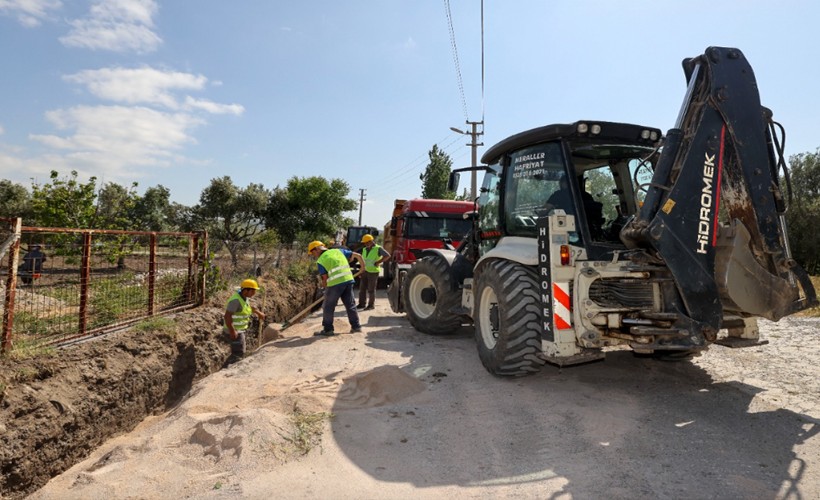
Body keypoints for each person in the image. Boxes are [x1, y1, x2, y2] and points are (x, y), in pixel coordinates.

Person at [308, 240, 364, 336]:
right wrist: (363, 268)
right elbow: (358, 256)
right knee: (350, 305)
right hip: (348, 280)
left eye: (312, 252)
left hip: (335, 284)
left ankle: (328, 329)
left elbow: (325, 279)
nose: (313, 255)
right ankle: (356, 327)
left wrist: (325, 289)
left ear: (317, 249)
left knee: (328, 307)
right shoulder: (338, 251)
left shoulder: (321, 260)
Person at [223, 278, 266, 361]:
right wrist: (232, 331)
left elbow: (247, 308)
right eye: (253, 291)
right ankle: (230, 369)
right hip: (235, 330)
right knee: (238, 353)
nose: (254, 293)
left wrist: (258, 313)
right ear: (246, 290)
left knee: (239, 352)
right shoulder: (235, 301)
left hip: (239, 330)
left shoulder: (244, 297)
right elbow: (227, 316)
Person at [357, 234, 390, 310]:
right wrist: (361, 270)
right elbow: (363, 260)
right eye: (364, 243)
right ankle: (362, 304)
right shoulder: (364, 249)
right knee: (362, 289)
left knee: (371, 289)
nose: (365, 244)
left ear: (371, 241)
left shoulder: (378, 249)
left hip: (373, 272)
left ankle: (371, 305)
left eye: (366, 242)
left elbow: (387, 255)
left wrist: (379, 262)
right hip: (365, 271)